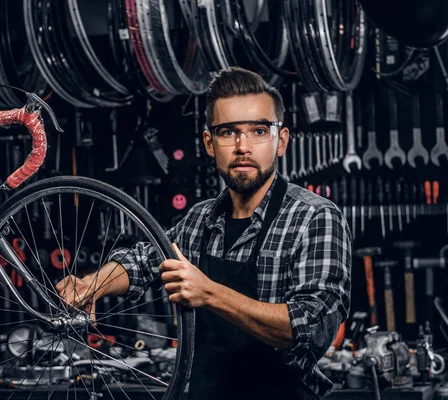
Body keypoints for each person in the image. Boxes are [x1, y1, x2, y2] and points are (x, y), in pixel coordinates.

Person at [56, 67, 352, 399]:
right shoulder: (200, 218)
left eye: (258, 130)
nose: (243, 146)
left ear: (280, 141)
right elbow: (142, 260)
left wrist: (210, 293)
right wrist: (91, 284)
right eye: (228, 132)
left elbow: (310, 327)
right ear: (210, 143)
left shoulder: (314, 216)